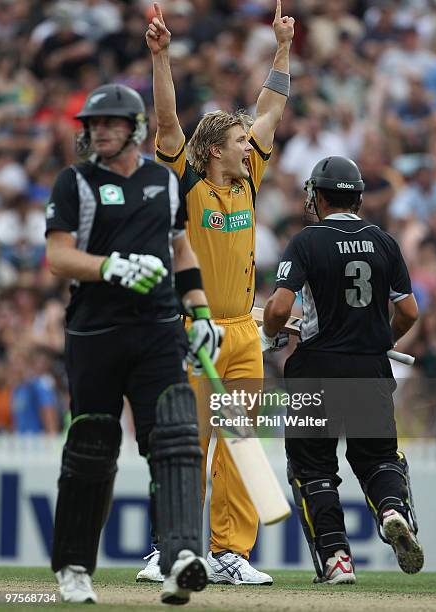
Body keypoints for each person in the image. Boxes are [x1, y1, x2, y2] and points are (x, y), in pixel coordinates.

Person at [45, 82, 224, 605]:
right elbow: (58, 256)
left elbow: (181, 248)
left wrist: (201, 313)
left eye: (109, 123)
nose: (98, 131)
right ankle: (75, 567)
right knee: (92, 451)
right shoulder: (74, 183)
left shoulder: (161, 182)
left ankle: (182, 557)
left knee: (174, 441)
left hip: (157, 332)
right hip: (94, 335)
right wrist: (111, 266)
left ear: (135, 129)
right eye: (92, 125)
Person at [139, 0, 294, 586]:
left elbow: (272, 107)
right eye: (237, 140)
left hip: (244, 334)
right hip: (194, 332)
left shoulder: (249, 178)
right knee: (187, 442)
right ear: (212, 151)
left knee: (238, 447)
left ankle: (231, 552)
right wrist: (162, 57)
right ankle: (168, 548)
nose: (247, 145)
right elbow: (167, 123)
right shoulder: (187, 181)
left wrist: (281, 46)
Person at [261, 156, 424, 583]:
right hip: (369, 368)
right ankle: (393, 509)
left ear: (317, 195)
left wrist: (273, 333)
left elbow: (278, 307)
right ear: (357, 195)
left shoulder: (306, 241)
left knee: (312, 468)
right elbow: (408, 311)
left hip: (315, 368)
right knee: (378, 458)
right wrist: (382, 340)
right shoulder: (384, 241)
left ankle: (337, 559)